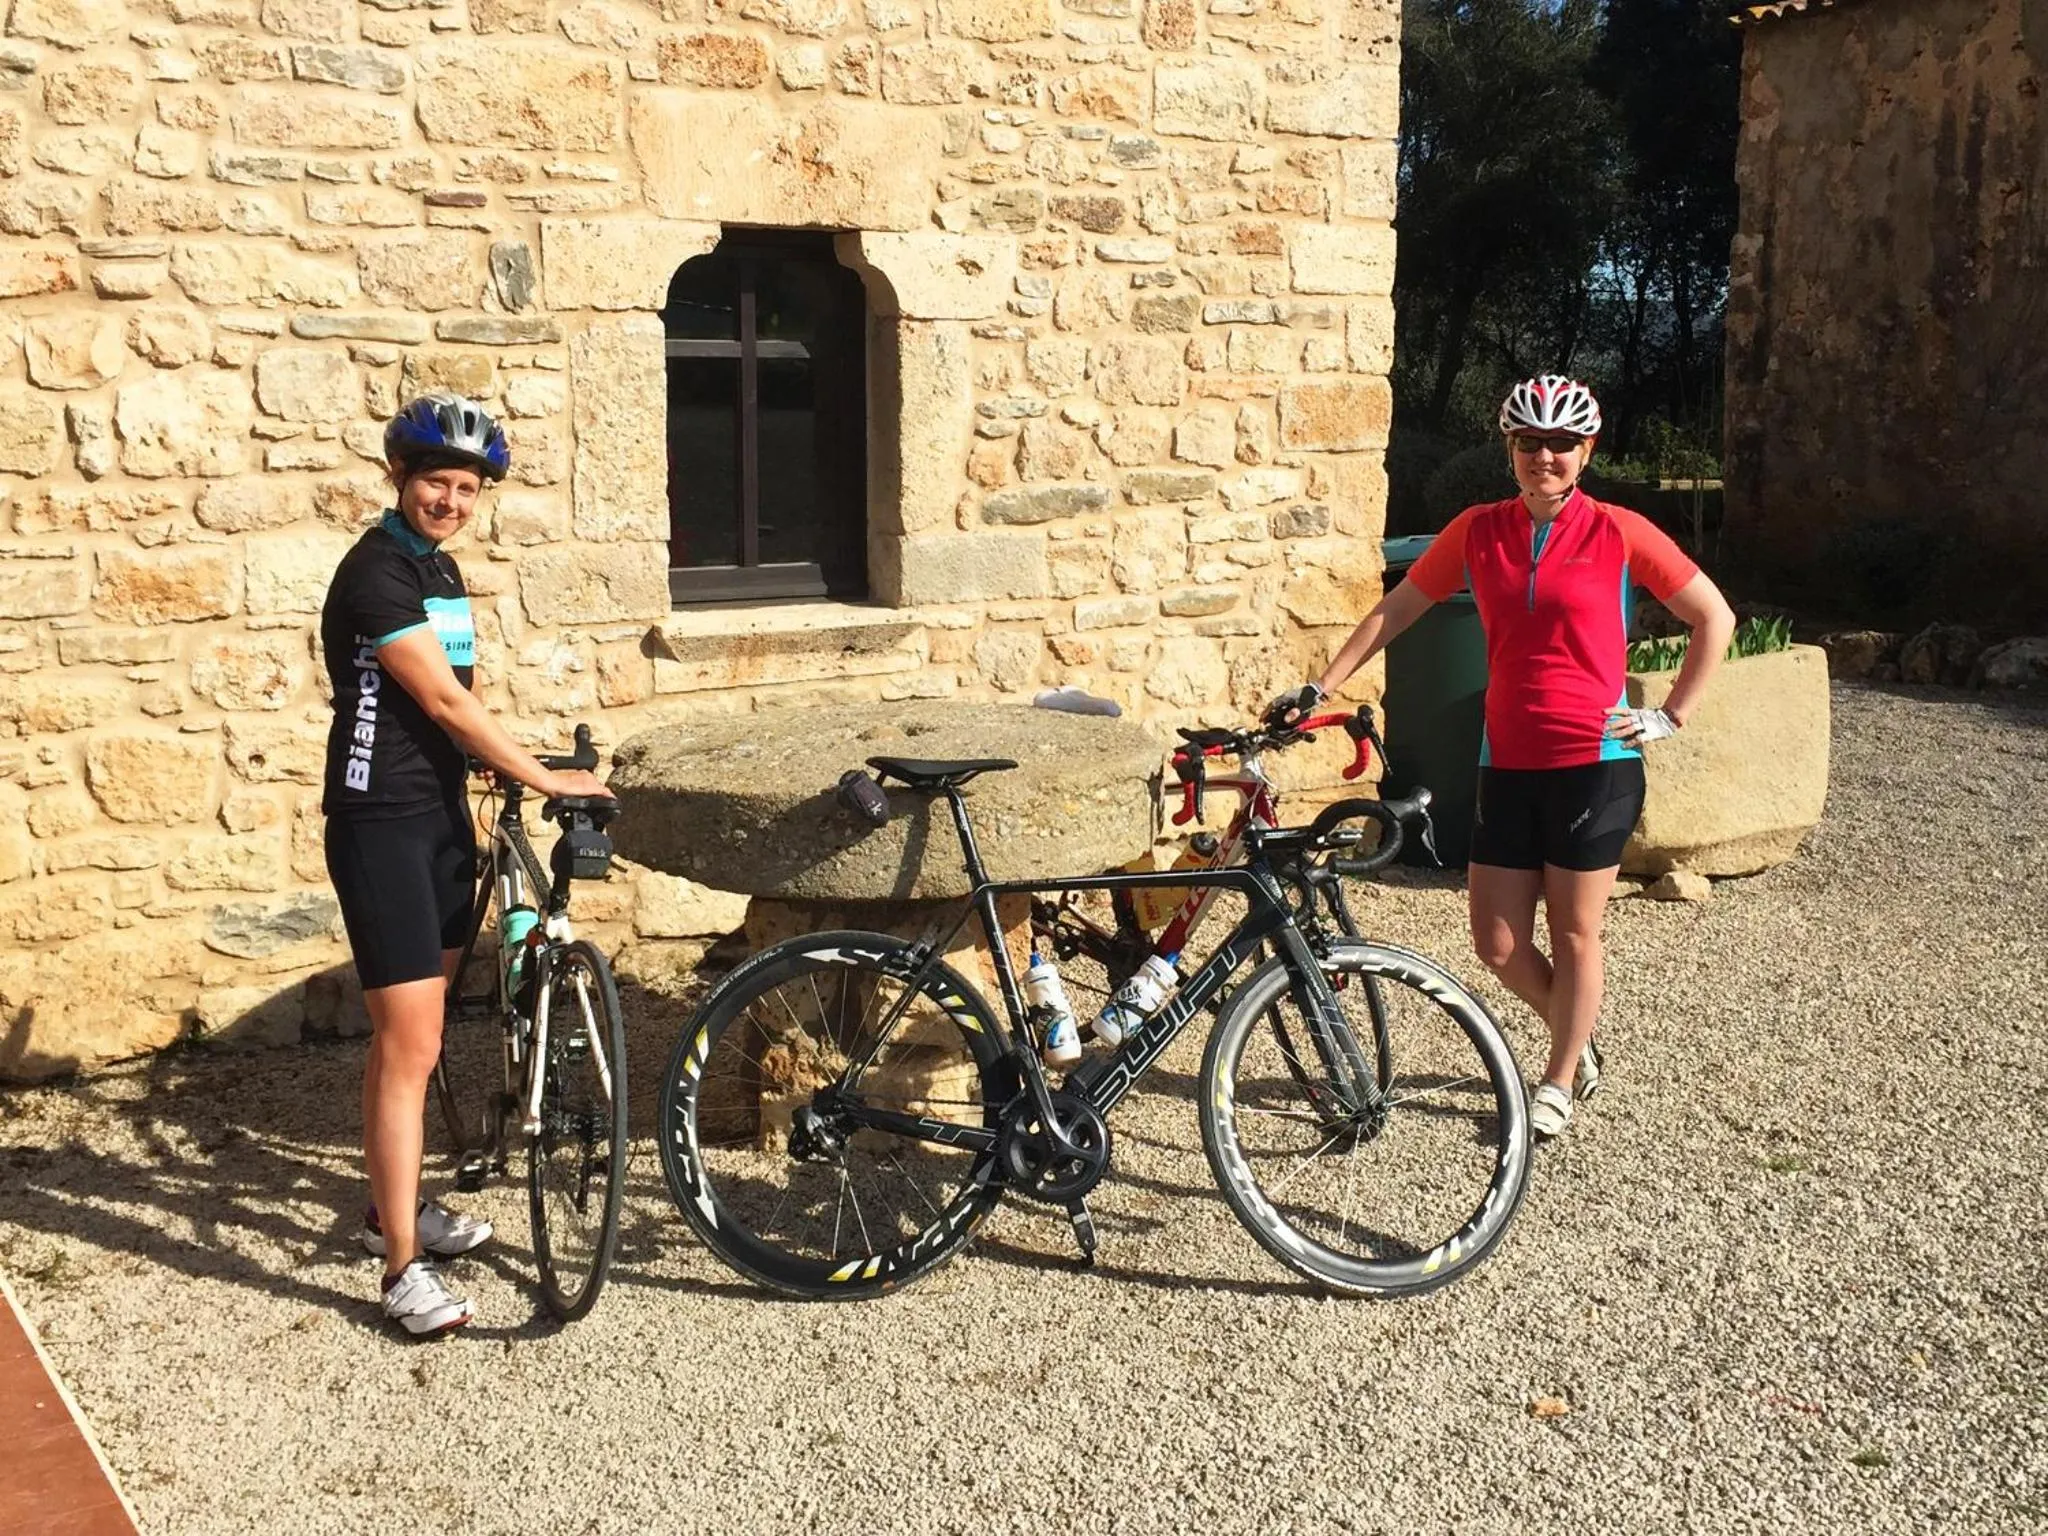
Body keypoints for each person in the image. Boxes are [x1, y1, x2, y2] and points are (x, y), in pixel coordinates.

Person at [1270, 375, 1735, 1140]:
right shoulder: (1478, 530)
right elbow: (1398, 608)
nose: (1544, 456)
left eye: (1560, 443)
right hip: (1506, 758)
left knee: (1576, 930)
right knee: (1496, 942)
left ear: (1586, 451)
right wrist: (1320, 682)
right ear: (1510, 448)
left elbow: (1712, 616)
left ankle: (1557, 1075)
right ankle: (1576, 1034)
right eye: (1529, 442)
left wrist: (1673, 713)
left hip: (1596, 758)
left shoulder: (1619, 531)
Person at [319, 394, 612, 1335]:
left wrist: (503, 770)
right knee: (410, 1048)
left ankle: (386, 1209)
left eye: (467, 488)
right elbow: (443, 704)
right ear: (399, 478)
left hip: (438, 820)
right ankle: (402, 1269)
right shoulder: (374, 574)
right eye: (436, 482)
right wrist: (547, 777)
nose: (450, 500)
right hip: (380, 828)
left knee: (415, 1042)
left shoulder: (435, 566)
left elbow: (457, 713)